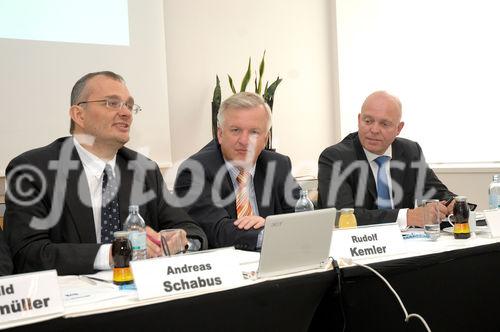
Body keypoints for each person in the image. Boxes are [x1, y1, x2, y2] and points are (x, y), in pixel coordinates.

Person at [4, 71, 207, 275]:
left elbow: (193, 231)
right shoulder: (32, 170)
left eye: (129, 105)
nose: (126, 113)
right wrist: (113, 253)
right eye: (112, 103)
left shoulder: (143, 170)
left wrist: (182, 241)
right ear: (79, 115)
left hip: (140, 298)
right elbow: (27, 254)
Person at [174, 92, 300, 250]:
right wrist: (267, 231)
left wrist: (268, 225)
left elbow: (302, 217)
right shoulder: (194, 171)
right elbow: (218, 232)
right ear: (220, 134)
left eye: (254, 132)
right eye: (235, 130)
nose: (244, 141)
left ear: (265, 139)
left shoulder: (278, 165)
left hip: (275, 260)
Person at [318, 90, 455, 228]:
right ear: (359, 120)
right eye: (368, 121)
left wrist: (453, 204)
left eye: (384, 124)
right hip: (361, 246)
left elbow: (438, 192)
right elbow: (342, 217)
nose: (374, 129)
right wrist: (407, 217)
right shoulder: (335, 158)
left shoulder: (410, 151)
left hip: (409, 244)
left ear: (398, 128)